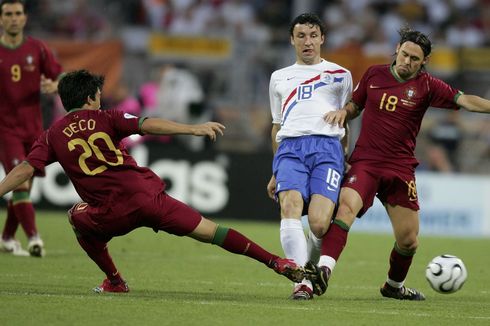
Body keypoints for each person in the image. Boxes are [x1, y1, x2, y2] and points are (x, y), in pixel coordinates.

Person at [0, 69, 304, 293]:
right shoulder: (108, 118)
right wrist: (193, 129)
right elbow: (148, 124)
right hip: (149, 198)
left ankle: (115, 281)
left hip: (111, 213)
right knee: (212, 231)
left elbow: (25, 169)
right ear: (91, 97)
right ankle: (276, 262)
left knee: (76, 219)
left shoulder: (52, 135)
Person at [305, 27, 490, 300]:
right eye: (404, 54)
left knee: (409, 240)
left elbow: (466, 101)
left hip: (401, 169)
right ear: (397, 49)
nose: (407, 62)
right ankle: (324, 270)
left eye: (415, 59)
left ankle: (393, 286)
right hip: (365, 163)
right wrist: (343, 112)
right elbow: (356, 106)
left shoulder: (428, 86)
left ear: (424, 61)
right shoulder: (374, 74)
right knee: (345, 209)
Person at [266, 13, 352, 300]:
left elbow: (345, 120)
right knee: (289, 205)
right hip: (290, 147)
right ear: (292, 40)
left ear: (322, 39)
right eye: (301, 36)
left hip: (328, 150)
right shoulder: (279, 77)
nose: (308, 41)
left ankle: (312, 268)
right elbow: (276, 125)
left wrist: (345, 156)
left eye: (313, 35)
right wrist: (275, 170)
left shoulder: (341, 75)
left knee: (318, 223)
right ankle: (300, 280)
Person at [0, 0, 63, 257]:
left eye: (18, 13)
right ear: (1, 19)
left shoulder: (37, 48)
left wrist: (55, 85)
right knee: (21, 184)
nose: (13, 18)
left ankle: (6, 237)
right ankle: (35, 238)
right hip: (6, 129)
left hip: (34, 129)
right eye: (8, 14)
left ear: (25, 18)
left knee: (24, 187)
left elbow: (57, 76)